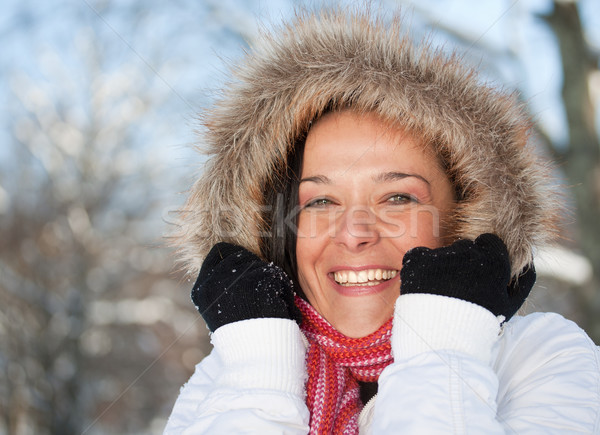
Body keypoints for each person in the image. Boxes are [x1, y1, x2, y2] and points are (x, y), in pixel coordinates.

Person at [164, 6, 600, 434]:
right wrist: (260, 373)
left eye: (397, 197)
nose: (354, 233)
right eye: (319, 202)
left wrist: (443, 349)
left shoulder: (543, 356)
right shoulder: (227, 373)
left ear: (464, 219)